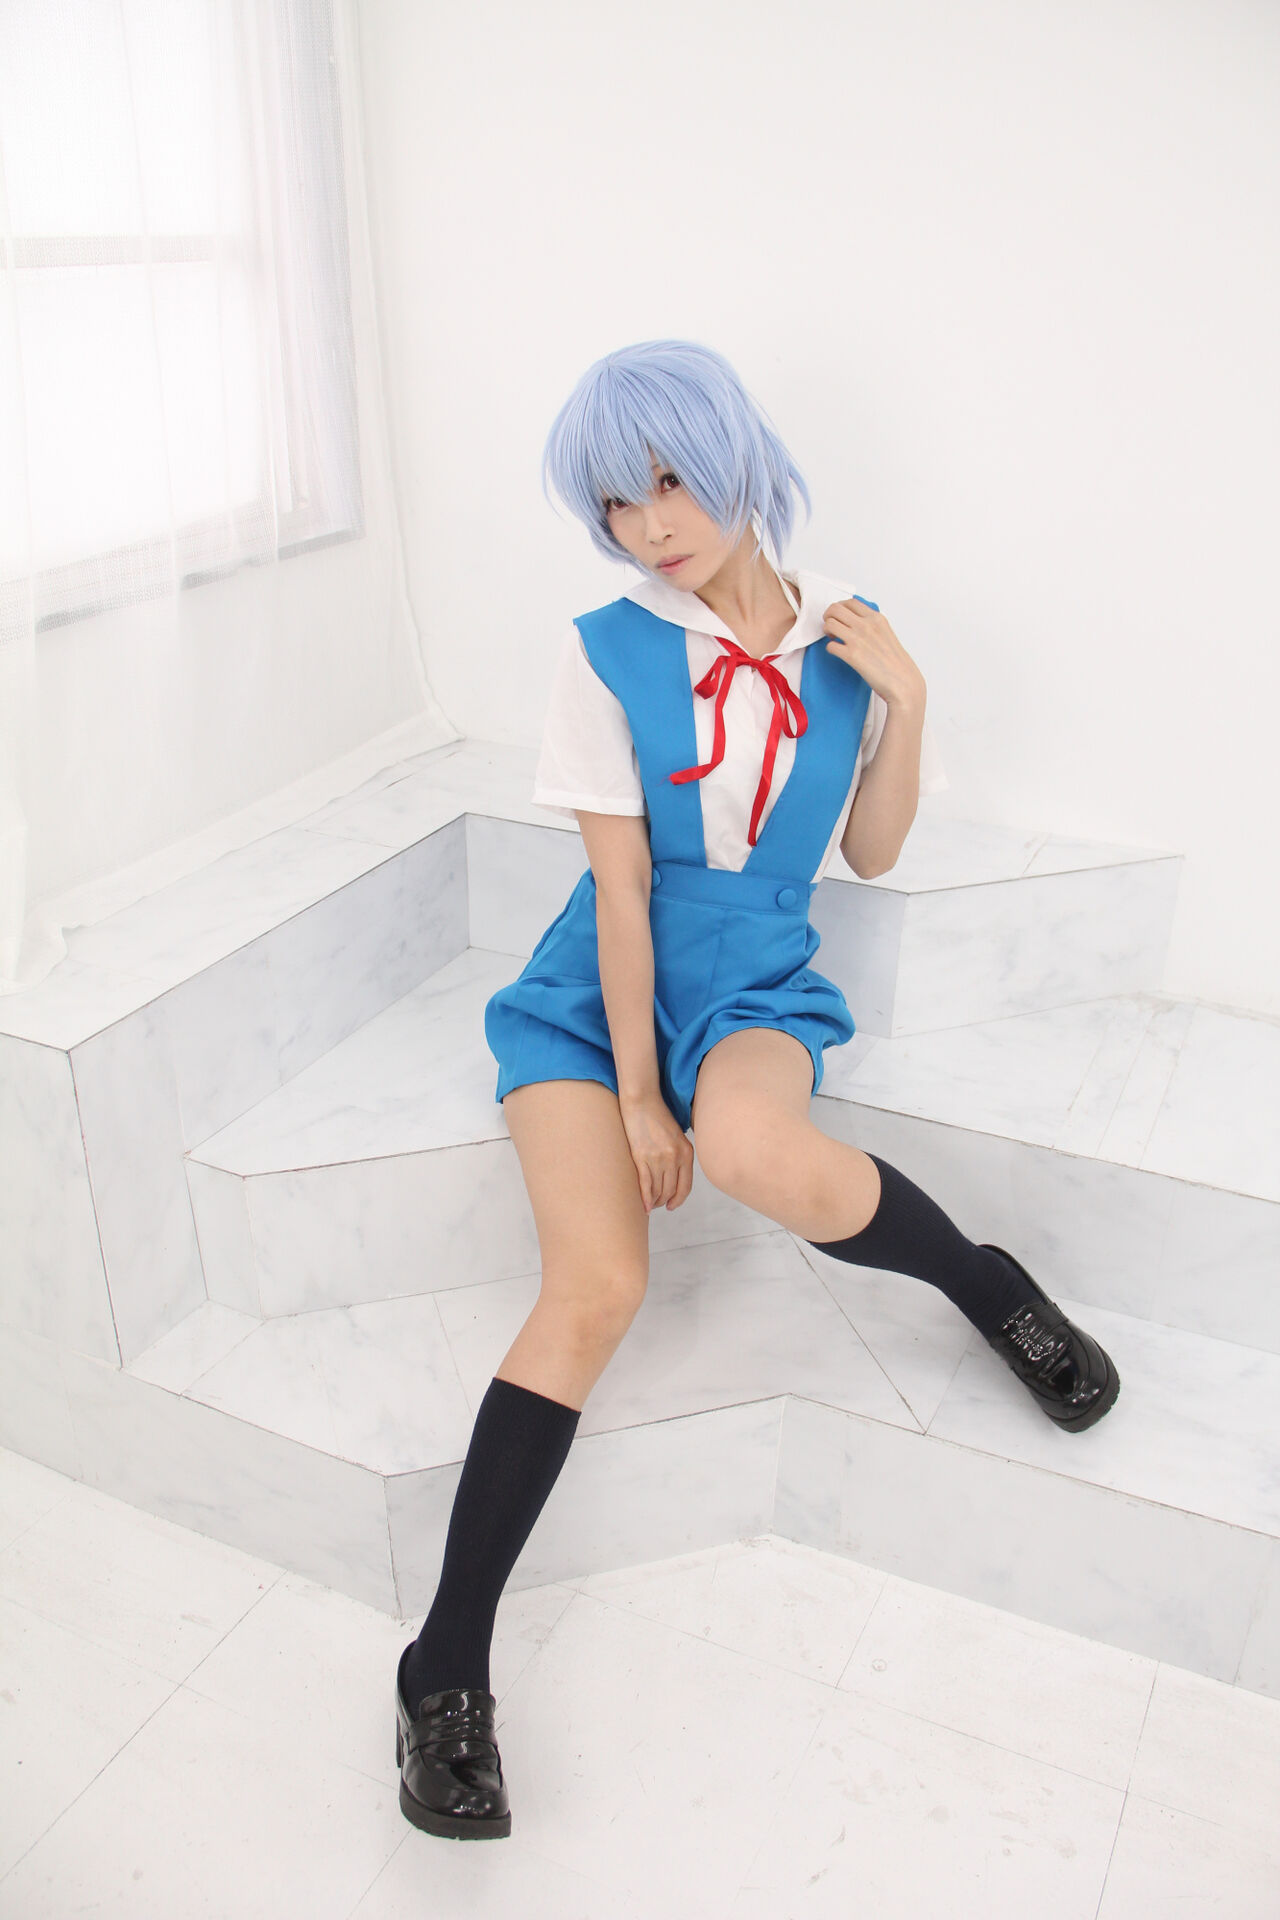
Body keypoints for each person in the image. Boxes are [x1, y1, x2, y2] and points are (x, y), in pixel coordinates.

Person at [392, 338, 1120, 1841]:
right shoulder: (605, 649)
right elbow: (617, 892)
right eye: (616, 500)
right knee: (596, 1287)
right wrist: (634, 1097)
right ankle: (443, 1665)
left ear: (734, 454)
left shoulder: (850, 636)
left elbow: (872, 855)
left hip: (755, 982)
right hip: (598, 989)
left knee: (753, 1149)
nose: (648, 523)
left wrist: (909, 701)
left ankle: (987, 1287)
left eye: (669, 479)